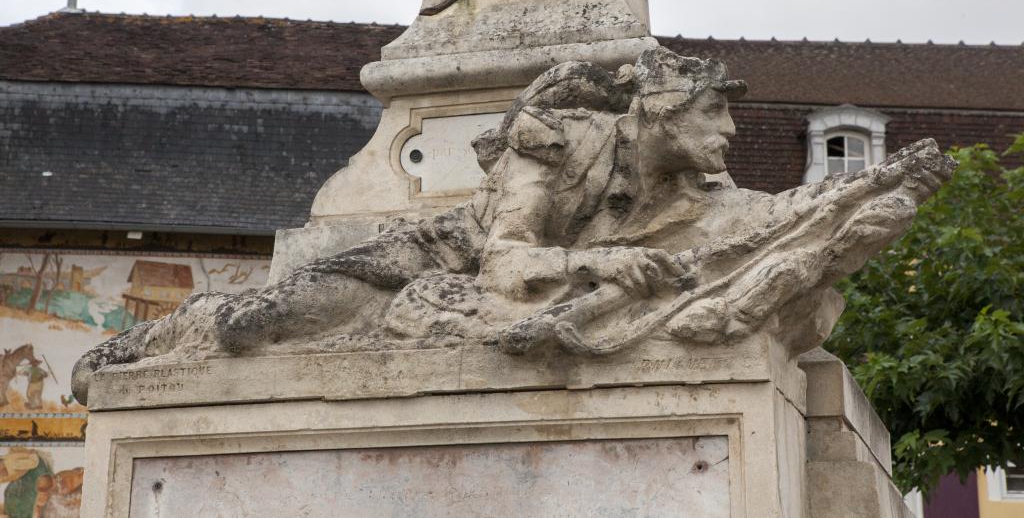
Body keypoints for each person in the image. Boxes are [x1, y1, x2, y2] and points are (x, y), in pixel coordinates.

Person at [72, 47, 954, 403]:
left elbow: (772, 223)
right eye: (714, 115)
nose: (729, 136)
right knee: (270, 319)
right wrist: (601, 265)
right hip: (444, 252)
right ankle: (161, 339)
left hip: (522, 295)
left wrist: (865, 197)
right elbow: (502, 262)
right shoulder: (555, 138)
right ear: (661, 111)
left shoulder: (703, 192)